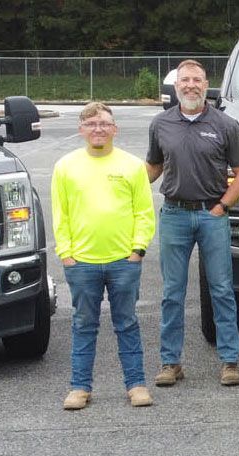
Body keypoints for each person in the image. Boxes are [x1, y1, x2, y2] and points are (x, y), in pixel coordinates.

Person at [146, 59, 239, 387]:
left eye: (197, 80)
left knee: (222, 289)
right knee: (172, 292)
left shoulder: (225, 125)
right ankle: (170, 362)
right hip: (174, 215)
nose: (190, 85)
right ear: (176, 86)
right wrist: (121, 183)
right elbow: (153, 167)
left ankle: (230, 361)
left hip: (212, 215)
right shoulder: (160, 124)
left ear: (207, 85)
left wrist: (223, 206)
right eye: (184, 80)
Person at [51, 102, 156, 410]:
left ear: (115, 129)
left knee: (127, 323)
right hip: (81, 262)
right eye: (91, 124)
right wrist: (66, 254)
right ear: (81, 129)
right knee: (84, 324)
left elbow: (144, 212)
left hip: (124, 261)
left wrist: (137, 250)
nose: (98, 129)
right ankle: (79, 388)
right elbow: (61, 214)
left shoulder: (132, 166)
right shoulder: (65, 167)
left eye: (104, 124)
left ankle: (136, 385)